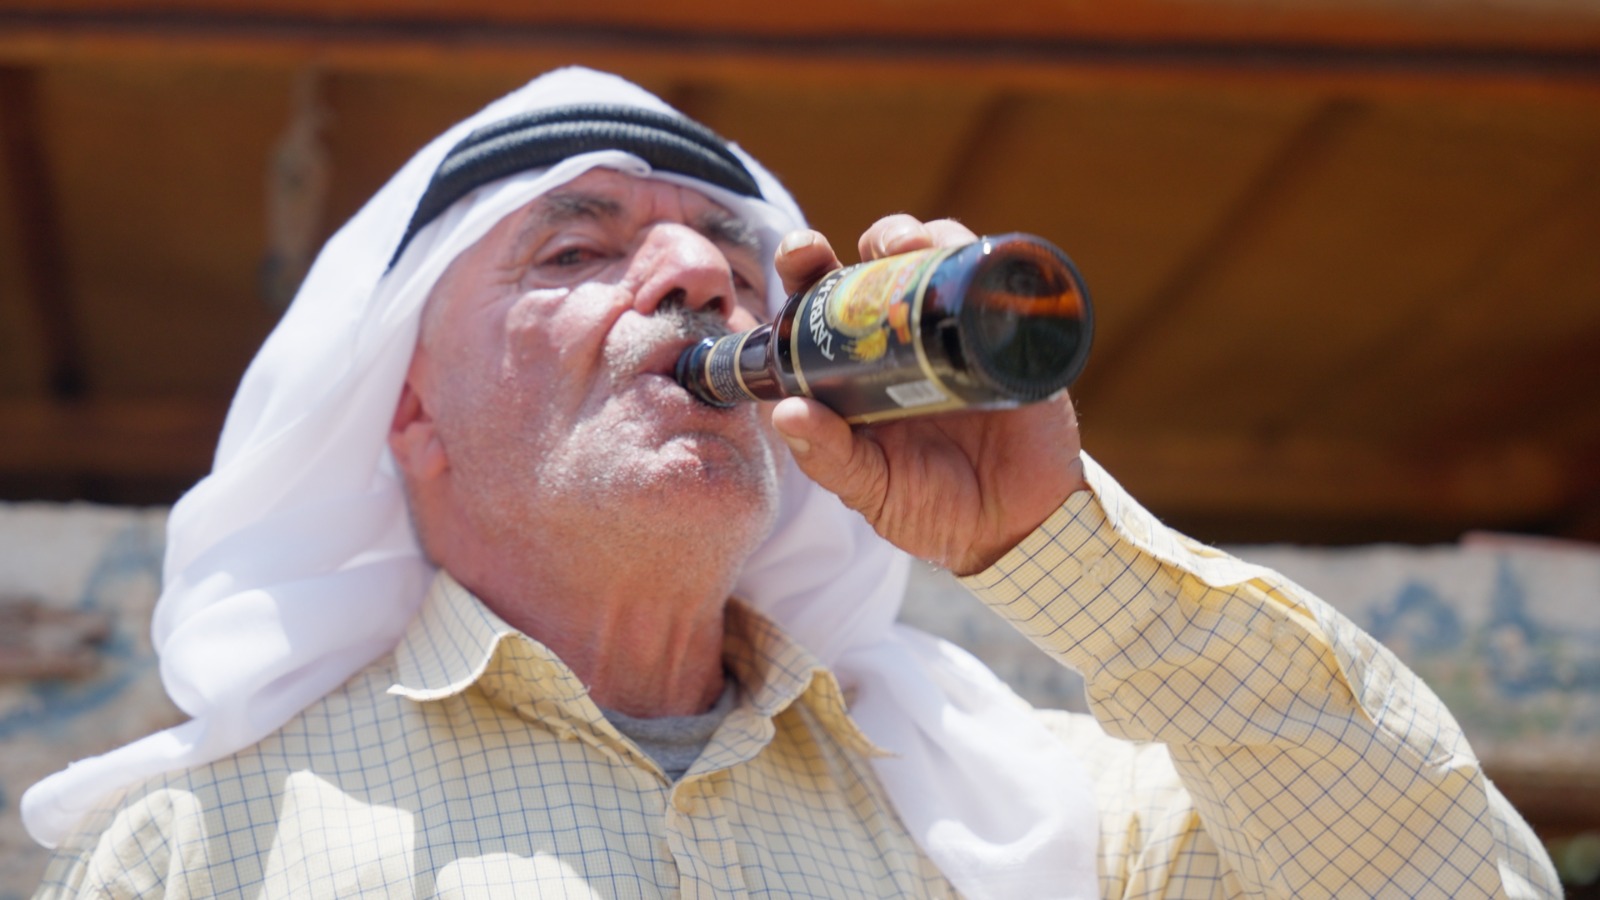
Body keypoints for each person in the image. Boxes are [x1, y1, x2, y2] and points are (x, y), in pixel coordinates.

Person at [26, 67, 1557, 899]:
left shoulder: (1023, 817)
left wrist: (1054, 545)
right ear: (406, 405)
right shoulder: (207, 854)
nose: (701, 277)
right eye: (578, 247)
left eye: (734, 255)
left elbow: (1450, 884)